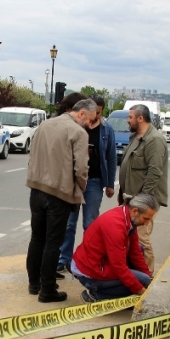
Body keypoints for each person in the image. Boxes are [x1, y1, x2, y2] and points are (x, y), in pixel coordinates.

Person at [25, 98, 98, 302]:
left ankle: (34, 283)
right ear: (81, 113)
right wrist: (80, 190)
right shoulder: (78, 133)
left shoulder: (45, 124)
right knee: (53, 242)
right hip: (59, 193)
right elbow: (82, 168)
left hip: (36, 188)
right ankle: (47, 290)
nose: (90, 125)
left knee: (37, 238)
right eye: (90, 120)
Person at [57, 96, 117, 273]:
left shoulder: (107, 129)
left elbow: (111, 156)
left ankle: (87, 259)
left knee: (90, 223)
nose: (94, 116)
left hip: (95, 181)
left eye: (98, 112)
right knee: (69, 223)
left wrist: (110, 183)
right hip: (73, 180)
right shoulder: (76, 124)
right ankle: (64, 258)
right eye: (93, 112)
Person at [72, 193, 157, 301]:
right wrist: (141, 290)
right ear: (135, 211)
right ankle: (96, 294)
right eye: (146, 218)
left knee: (140, 252)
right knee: (142, 281)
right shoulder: (115, 227)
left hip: (97, 263)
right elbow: (119, 266)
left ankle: (114, 290)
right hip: (90, 270)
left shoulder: (128, 217)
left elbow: (135, 252)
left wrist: (149, 280)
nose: (146, 223)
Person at [117, 104, 168, 272]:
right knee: (131, 238)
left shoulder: (154, 140)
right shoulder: (135, 138)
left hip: (144, 201)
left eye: (130, 117)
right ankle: (135, 273)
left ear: (140, 118)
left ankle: (147, 275)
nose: (127, 120)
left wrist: (142, 201)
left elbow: (155, 171)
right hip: (131, 198)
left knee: (141, 238)